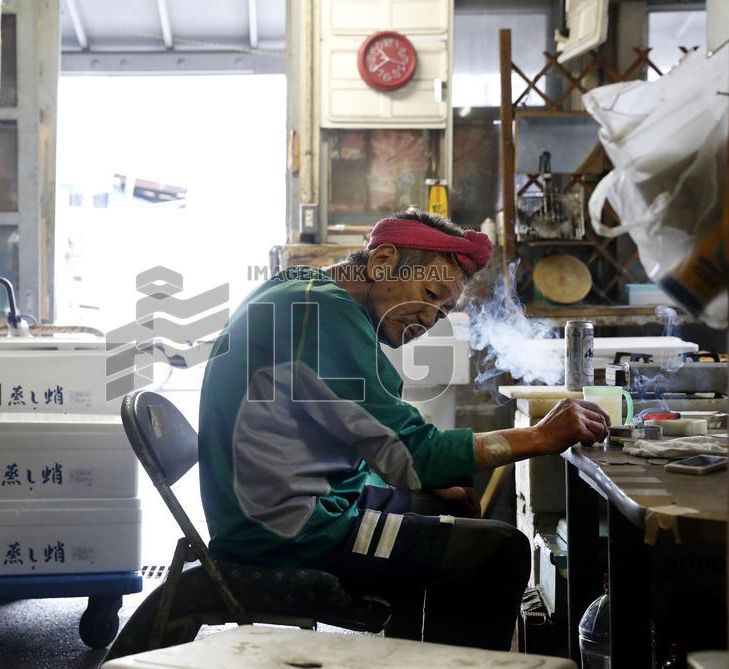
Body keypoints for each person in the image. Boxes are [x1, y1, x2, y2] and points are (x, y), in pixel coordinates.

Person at [197, 210, 610, 650]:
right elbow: (414, 456)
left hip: (277, 505)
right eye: (429, 294)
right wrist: (540, 436)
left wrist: (427, 481)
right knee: (500, 550)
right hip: (287, 531)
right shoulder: (323, 313)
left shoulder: (303, 288)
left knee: (441, 504)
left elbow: (370, 443)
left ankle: (412, 650)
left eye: (443, 312)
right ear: (382, 261)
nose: (429, 319)